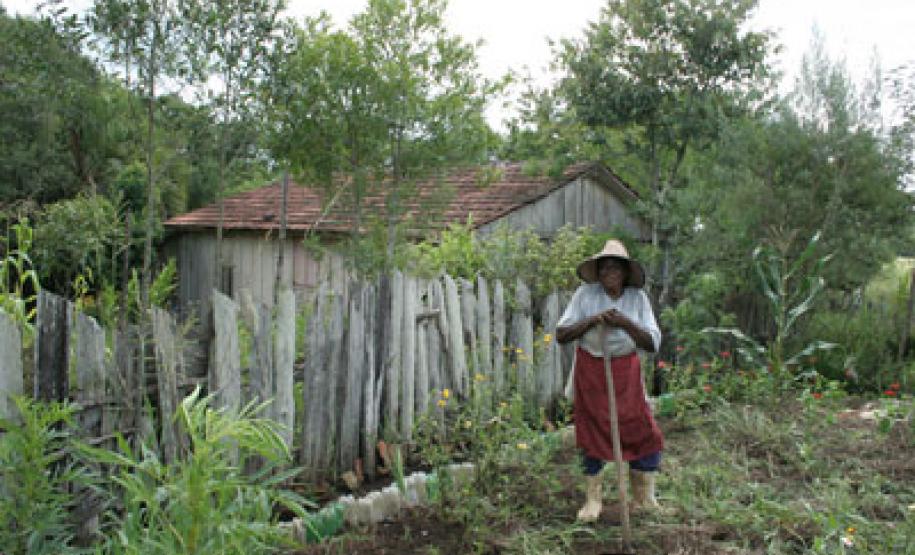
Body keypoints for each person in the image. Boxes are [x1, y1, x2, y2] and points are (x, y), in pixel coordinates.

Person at [556, 239, 664, 522]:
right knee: (592, 430)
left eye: (615, 268)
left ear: (626, 272)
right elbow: (562, 334)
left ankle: (644, 498)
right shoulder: (585, 295)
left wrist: (625, 323)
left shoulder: (637, 299)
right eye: (604, 268)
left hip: (626, 371)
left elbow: (652, 342)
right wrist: (593, 320)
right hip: (591, 370)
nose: (609, 273)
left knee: (643, 430)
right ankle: (593, 500)